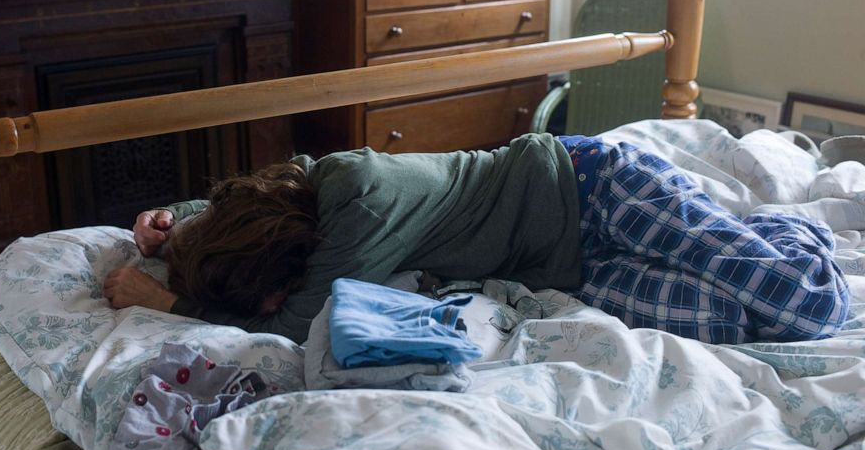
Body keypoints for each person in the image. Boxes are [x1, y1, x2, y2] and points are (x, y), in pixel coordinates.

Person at [103, 133, 850, 346]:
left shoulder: (358, 199)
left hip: (593, 187)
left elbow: (292, 330)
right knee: (724, 322)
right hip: (566, 266)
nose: (272, 300)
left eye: (265, 286)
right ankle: (746, 234)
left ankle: (787, 226)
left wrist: (165, 301)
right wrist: (179, 220)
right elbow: (259, 192)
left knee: (802, 305)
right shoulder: (300, 201)